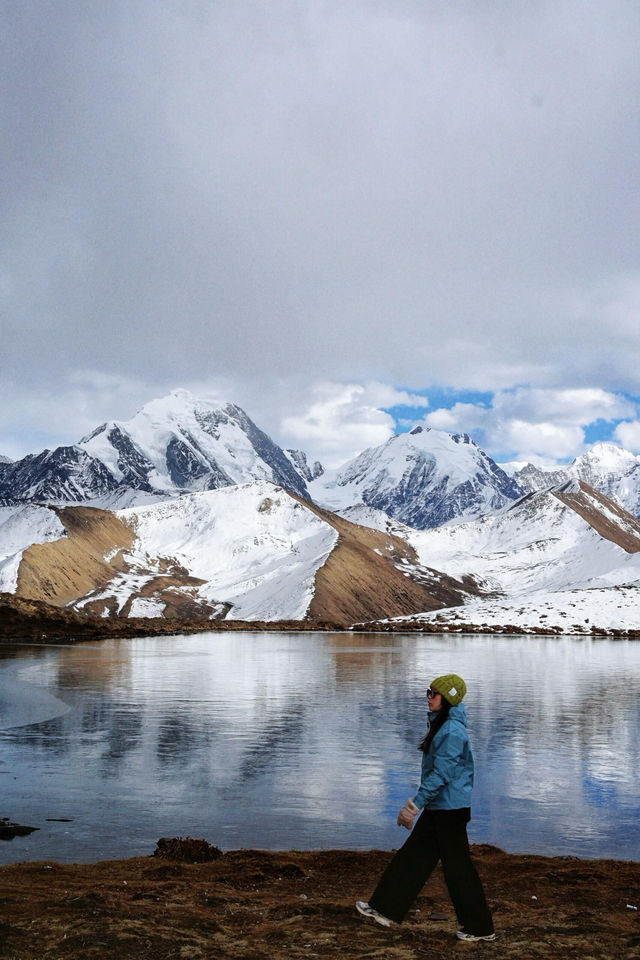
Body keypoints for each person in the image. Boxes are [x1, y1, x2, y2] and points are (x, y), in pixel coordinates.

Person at [355, 673, 495, 943]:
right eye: (428, 692)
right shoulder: (444, 725)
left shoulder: (452, 731)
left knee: (458, 869)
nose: (428, 698)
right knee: (414, 857)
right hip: (443, 808)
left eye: (433, 693)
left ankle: (481, 928)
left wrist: (414, 804)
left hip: (448, 811)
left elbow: (442, 775)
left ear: (448, 699)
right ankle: (384, 909)